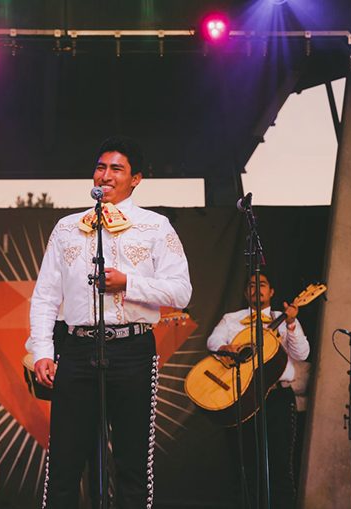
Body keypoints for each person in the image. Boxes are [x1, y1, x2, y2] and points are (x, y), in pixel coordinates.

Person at [27, 136, 192, 508]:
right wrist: (42, 350)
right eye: (101, 167)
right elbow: (46, 297)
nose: (105, 175)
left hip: (133, 348)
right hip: (77, 346)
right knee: (64, 462)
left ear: (136, 179)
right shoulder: (68, 227)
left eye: (116, 168)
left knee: (133, 463)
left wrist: (128, 283)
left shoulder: (155, 226)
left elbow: (181, 292)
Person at [206, 272, 309, 509]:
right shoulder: (232, 319)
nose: (256, 289)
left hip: (277, 398)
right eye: (251, 286)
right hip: (242, 398)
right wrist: (225, 347)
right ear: (245, 293)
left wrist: (291, 324)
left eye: (261, 285)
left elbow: (302, 354)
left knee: (281, 468)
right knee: (245, 467)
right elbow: (213, 341)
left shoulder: (282, 319)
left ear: (271, 291)